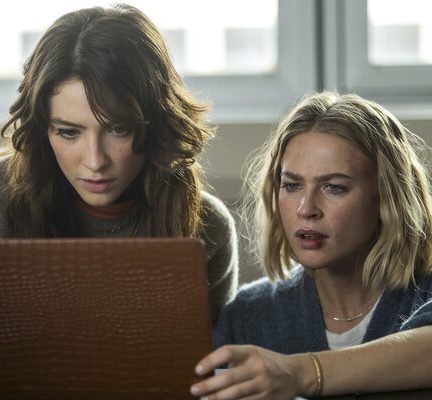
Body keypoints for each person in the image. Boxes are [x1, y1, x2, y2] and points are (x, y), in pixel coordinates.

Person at [0, 4, 238, 326]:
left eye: (119, 129)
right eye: (69, 132)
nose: (95, 161)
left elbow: (210, 355)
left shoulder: (207, 228)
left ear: (156, 123)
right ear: (43, 130)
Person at [190, 91, 432, 399]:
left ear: (386, 197)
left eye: (334, 187)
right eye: (292, 185)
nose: (306, 209)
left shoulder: (423, 295)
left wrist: (299, 373)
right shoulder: (249, 316)